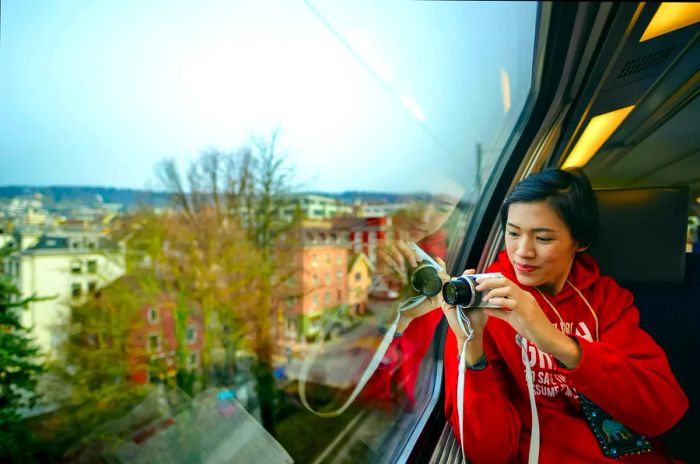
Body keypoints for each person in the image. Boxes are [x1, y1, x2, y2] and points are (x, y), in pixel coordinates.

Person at [430, 168, 687, 463]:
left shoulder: (606, 299)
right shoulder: (484, 301)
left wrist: (555, 342)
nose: (522, 252)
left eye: (543, 238)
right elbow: (490, 453)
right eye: (513, 233)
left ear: (580, 241)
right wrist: (471, 349)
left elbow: (662, 412)